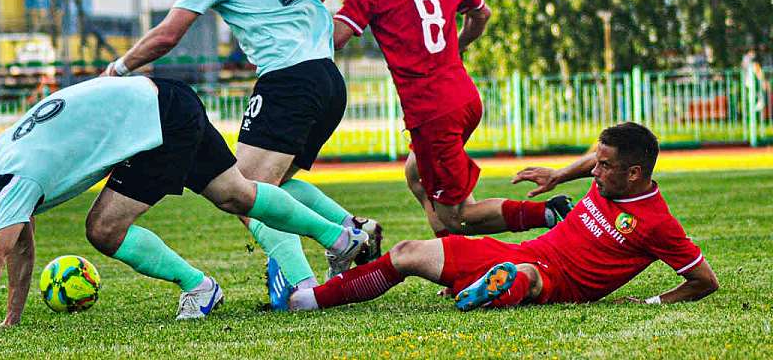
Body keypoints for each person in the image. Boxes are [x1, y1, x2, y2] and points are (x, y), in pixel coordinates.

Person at [101, 0, 380, 303]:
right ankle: (350, 228)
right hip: (326, 77)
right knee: (272, 188)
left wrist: (118, 69)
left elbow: (168, 35)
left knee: (241, 191)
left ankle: (306, 283)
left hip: (289, 80)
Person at [0, 76, 368, 332]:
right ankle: (339, 236)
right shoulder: (4, 150)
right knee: (237, 193)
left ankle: (199, 287)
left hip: (156, 124)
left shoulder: (14, 181)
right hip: (167, 97)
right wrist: (11, 318)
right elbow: (20, 247)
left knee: (103, 229)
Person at [286, 122, 719, 312]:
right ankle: (309, 301)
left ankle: (491, 288)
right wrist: (557, 175)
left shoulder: (657, 223)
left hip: (558, 282)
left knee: (525, 277)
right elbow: (592, 159)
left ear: (635, 173)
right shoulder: (613, 175)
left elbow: (705, 281)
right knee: (407, 252)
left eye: (604, 167)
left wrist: (651, 302)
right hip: (523, 251)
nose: (595, 172)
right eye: (598, 163)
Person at [332, 0, 572, 238]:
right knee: (416, 175)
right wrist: (457, 46)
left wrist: (299, 12)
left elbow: (336, 38)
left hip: (432, 112)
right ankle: (454, 260)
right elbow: (482, 13)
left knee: (457, 217)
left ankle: (550, 213)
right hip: (464, 97)